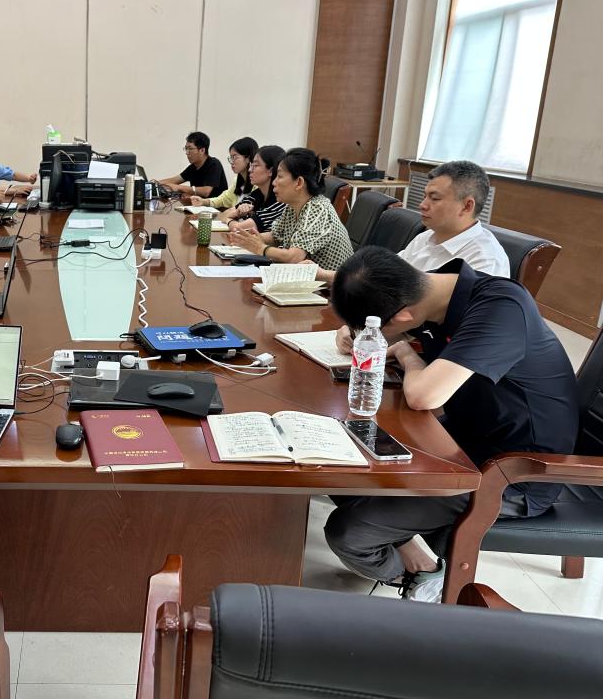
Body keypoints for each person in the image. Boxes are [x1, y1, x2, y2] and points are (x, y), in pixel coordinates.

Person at [324, 246, 578, 602]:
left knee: (349, 534)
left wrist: (406, 354)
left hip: (513, 472)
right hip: (457, 443)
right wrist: (354, 330)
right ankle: (413, 550)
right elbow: (396, 331)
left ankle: (423, 579)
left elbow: (424, 396)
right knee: (338, 465)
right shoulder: (435, 289)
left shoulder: (502, 308)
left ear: (404, 314)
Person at [316, 159, 509, 287]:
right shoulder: (426, 237)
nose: (422, 205)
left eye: (434, 198)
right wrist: (324, 275)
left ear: (467, 206)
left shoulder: (485, 260)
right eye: (425, 196)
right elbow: (383, 278)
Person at [228, 147, 353, 270]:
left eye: (279, 176)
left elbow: (294, 257)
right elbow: (275, 236)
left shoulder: (317, 210)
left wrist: (260, 248)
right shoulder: (293, 206)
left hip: (332, 283)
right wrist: (249, 239)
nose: (274, 182)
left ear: (299, 183)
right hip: (305, 278)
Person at [225, 144, 287, 231]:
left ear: (271, 171)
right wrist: (237, 212)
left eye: (256, 165)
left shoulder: (279, 201)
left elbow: (238, 228)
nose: (250, 170)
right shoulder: (256, 194)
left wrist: (229, 220)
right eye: (251, 165)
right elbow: (224, 215)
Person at [188, 137, 257, 214]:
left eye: (234, 157)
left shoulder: (258, 184)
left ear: (248, 158)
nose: (231, 162)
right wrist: (203, 201)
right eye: (231, 157)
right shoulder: (237, 181)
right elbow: (223, 199)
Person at [158, 131, 228, 198]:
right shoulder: (193, 167)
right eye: (186, 149)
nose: (187, 153)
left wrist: (179, 187)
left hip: (216, 206)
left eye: (190, 149)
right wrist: (154, 184)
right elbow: (174, 180)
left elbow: (206, 192)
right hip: (199, 204)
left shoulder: (214, 164)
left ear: (202, 150)